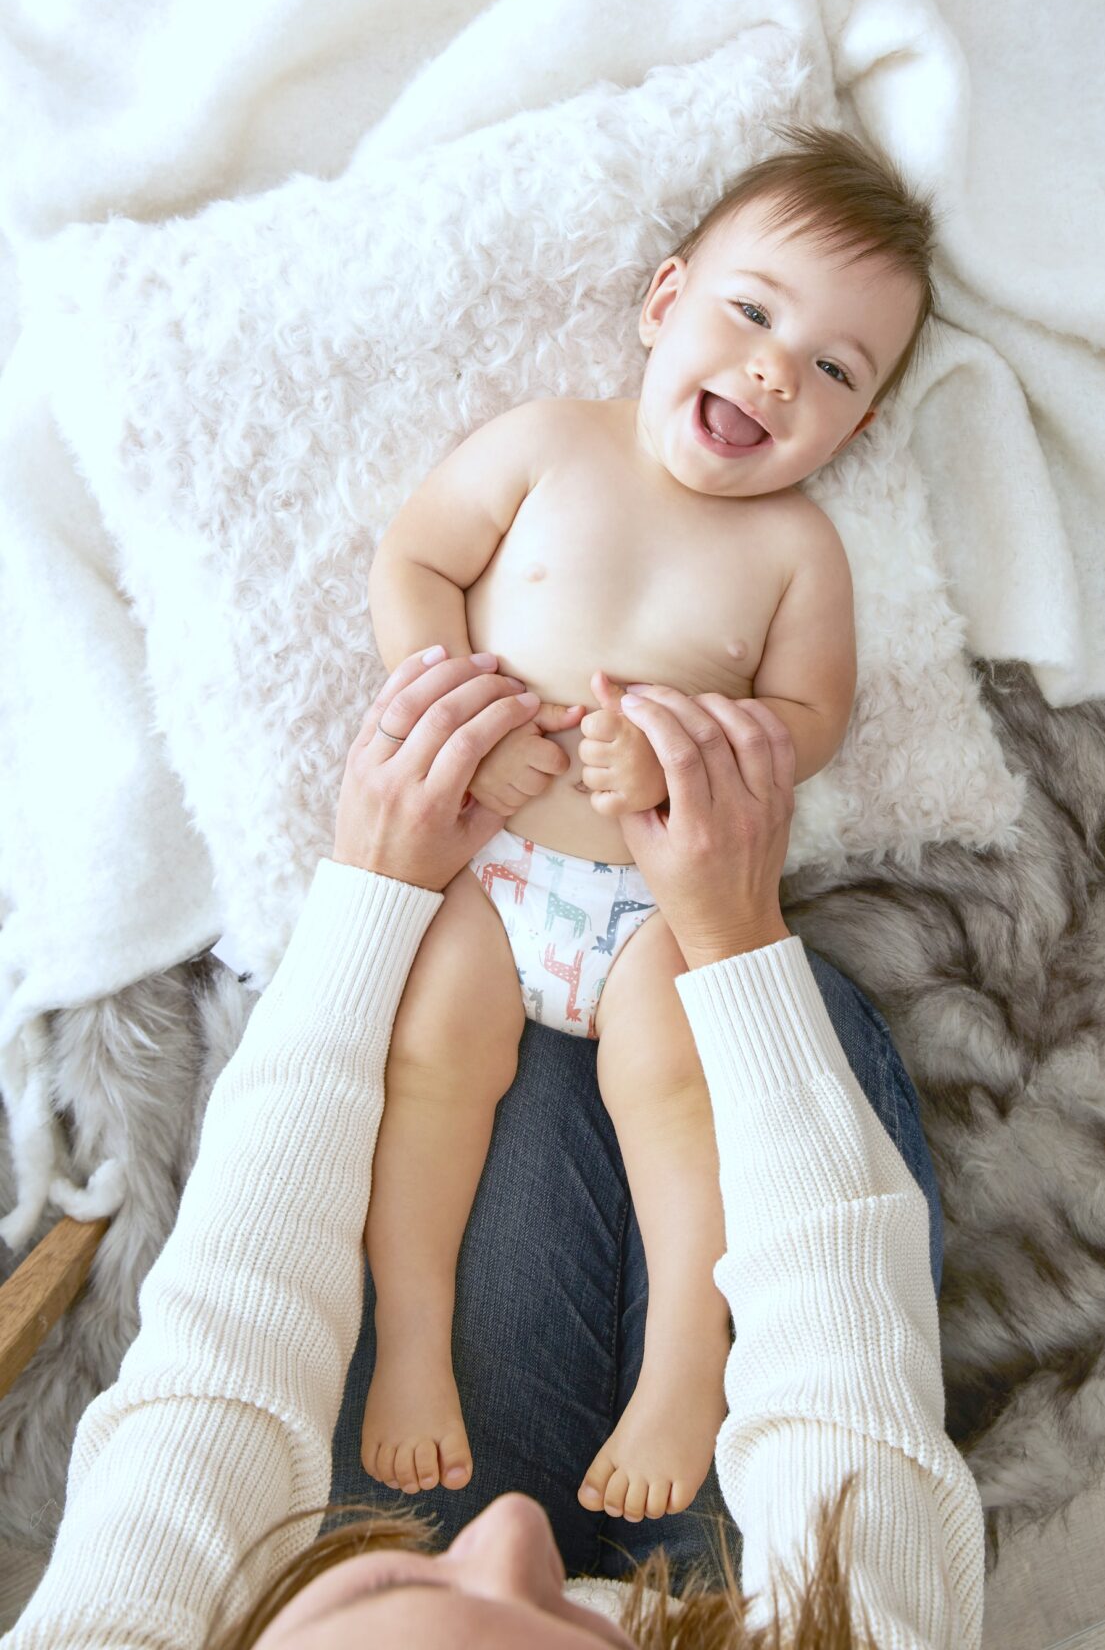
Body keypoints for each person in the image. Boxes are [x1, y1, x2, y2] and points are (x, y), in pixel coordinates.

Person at [7, 648, 983, 1649]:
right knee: (755, 1010)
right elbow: (844, 1372)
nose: (508, 1533)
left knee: (456, 1024)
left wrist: (373, 883)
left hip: (516, 942)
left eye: (369, 1593)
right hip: (642, 952)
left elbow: (229, 1338)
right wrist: (737, 934)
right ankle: (683, 1344)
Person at [360, 126, 939, 1519]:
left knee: (682, 1100)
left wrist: (691, 754)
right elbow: (418, 557)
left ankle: (687, 1359)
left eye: (833, 371)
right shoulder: (551, 445)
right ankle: (414, 1348)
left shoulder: (797, 549)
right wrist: (455, 704)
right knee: (429, 1069)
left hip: (653, 907)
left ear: (854, 431)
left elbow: (809, 716)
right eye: (751, 312)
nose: (771, 372)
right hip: (488, 869)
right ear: (663, 299)